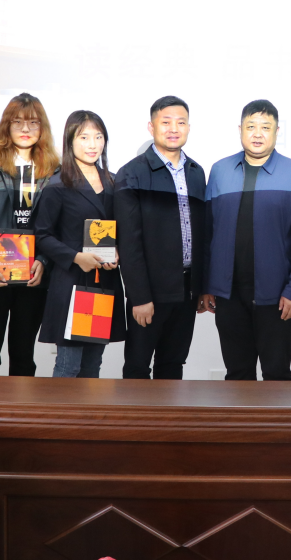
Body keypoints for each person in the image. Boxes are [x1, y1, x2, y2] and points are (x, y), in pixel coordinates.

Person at [203, 99, 291, 381]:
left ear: (277, 131)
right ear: (240, 130)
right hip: (228, 294)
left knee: (277, 375)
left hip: (276, 295)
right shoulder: (219, 171)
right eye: (251, 126)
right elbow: (207, 232)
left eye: (265, 127)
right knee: (237, 374)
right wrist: (207, 284)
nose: (257, 134)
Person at [0, 93, 59, 376]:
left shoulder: (54, 169)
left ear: (42, 127)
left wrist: (44, 260)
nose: (25, 129)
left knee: (23, 356)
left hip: (33, 276)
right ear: (6, 125)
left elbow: (57, 225)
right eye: (17, 122)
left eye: (33, 122)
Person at [116, 96, 208, 380]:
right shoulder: (132, 173)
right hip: (150, 292)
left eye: (181, 122)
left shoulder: (196, 173)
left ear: (189, 128)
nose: (173, 129)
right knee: (138, 367)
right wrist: (139, 296)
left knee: (173, 364)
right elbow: (128, 242)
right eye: (166, 122)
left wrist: (201, 287)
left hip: (187, 290)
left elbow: (204, 234)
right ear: (151, 127)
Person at [36, 110, 126, 377]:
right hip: (72, 283)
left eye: (98, 137)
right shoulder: (58, 184)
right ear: (70, 141)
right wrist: (76, 257)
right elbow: (42, 235)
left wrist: (118, 250)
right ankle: (60, 409)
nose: (92, 144)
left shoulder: (114, 182)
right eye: (84, 137)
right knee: (68, 366)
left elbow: (123, 229)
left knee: (92, 366)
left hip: (104, 281)